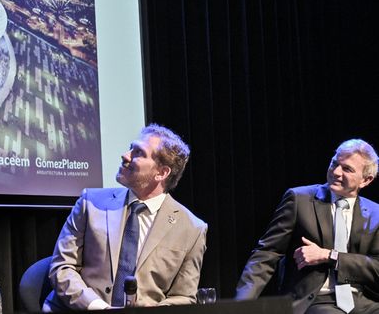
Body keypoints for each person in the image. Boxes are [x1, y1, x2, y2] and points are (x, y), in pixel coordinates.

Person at [44, 124, 207, 310]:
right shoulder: (90, 202)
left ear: (162, 173)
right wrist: (99, 308)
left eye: (138, 153)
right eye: (131, 148)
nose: (125, 155)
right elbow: (62, 267)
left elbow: (183, 296)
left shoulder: (192, 229)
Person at [235, 139, 379, 314]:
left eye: (347, 169)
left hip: (361, 301)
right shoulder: (300, 200)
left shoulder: (375, 213)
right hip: (316, 299)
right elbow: (267, 253)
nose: (336, 172)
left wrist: (330, 256)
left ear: (366, 180)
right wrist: (241, 304)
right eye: (334, 163)